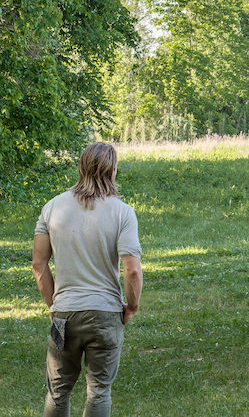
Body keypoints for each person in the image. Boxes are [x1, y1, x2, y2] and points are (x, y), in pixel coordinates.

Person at [32, 142, 142, 417]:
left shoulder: (52, 208)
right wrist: (132, 306)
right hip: (105, 313)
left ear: (81, 168)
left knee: (58, 392)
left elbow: (38, 263)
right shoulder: (123, 212)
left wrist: (53, 304)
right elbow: (132, 270)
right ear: (112, 171)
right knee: (99, 391)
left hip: (64, 314)